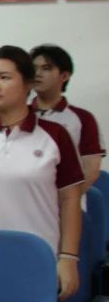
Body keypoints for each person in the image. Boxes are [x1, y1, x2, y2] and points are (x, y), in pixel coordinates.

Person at [0, 45, 83, 301]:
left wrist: (68, 257)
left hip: (38, 257)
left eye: (5, 77)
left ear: (28, 83)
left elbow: (70, 199)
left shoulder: (55, 135)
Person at [30, 44, 104, 194]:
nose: (37, 73)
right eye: (34, 68)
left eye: (46, 68)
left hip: (66, 202)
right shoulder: (18, 115)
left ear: (64, 76)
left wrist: (65, 200)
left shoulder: (83, 118)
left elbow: (91, 169)